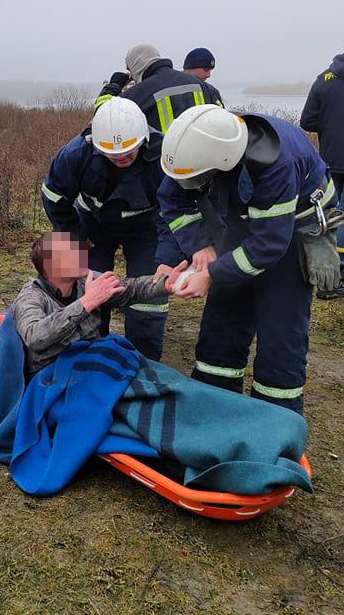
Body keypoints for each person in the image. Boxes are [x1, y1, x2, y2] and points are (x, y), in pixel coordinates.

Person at [157, 105, 342, 414]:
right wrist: (200, 246)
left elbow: (269, 244)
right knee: (222, 322)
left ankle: (275, 421)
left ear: (223, 162)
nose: (189, 183)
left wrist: (212, 274)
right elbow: (172, 199)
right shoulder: (194, 151)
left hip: (294, 229)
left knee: (280, 333)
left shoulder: (277, 164)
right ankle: (211, 409)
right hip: (244, 222)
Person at [41, 97, 179, 361]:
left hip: (146, 228)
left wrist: (167, 257)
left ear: (143, 139)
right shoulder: (76, 155)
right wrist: (77, 238)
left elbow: (173, 211)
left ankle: (143, 361)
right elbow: (54, 197)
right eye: (112, 152)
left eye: (129, 150)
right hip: (93, 226)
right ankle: (89, 355)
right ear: (96, 144)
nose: (121, 157)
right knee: (89, 287)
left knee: (148, 296)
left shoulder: (164, 157)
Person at [12, 231, 171, 377]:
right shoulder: (30, 297)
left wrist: (167, 284)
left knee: (162, 381)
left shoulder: (87, 280)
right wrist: (87, 302)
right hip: (56, 377)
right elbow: (35, 337)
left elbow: (131, 289)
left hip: (95, 363)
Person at [94, 43, 221, 137]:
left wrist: (114, 85)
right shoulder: (207, 88)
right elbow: (224, 123)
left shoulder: (137, 93)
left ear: (136, 66)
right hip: (205, 163)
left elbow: (103, 117)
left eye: (129, 70)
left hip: (161, 166)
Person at [300, 51, 344, 298]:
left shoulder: (324, 79)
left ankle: (328, 278)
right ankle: (336, 278)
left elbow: (308, 121)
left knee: (329, 214)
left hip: (330, 158)